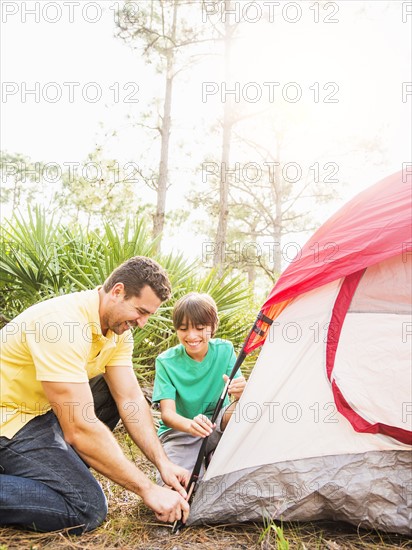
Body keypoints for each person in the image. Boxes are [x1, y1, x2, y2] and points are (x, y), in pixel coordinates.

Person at [0, 256, 190, 534]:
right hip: (9, 421)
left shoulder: (118, 331)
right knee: (86, 508)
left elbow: (130, 399)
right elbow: (79, 427)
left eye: (149, 314)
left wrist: (163, 463)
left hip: (40, 411)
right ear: (117, 292)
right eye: (140, 311)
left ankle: (42, 470)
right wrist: (147, 489)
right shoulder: (62, 326)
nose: (143, 323)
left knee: (114, 394)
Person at [152, 292, 246, 481]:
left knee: (245, 408)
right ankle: (204, 459)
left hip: (217, 425)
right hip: (181, 433)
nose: (192, 336)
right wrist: (191, 425)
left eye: (200, 328)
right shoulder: (166, 362)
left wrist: (243, 392)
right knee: (176, 487)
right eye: (183, 329)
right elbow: (167, 415)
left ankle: (214, 454)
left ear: (213, 327)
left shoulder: (225, 350)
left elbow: (237, 399)